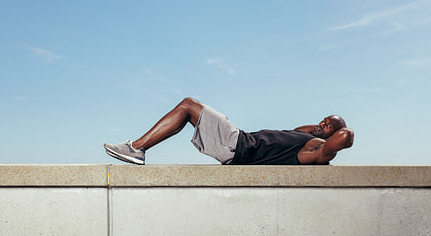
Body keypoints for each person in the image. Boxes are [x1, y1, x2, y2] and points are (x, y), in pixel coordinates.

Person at [104, 97, 354, 165]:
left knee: (189, 105)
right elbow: (310, 128)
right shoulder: (309, 136)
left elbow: (345, 137)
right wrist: (324, 127)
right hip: (238, 143)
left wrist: (336, 131)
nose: (321, 125)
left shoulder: (317, 149)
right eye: (323, 120)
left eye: (328, 125)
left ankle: (136, 148)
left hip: (239, 144)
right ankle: (137, 149)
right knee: (189, 109)